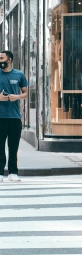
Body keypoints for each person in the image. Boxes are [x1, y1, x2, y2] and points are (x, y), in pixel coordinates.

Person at [0, 50, 28, 183]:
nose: (0, 60)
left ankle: (13, 172)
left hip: (14, 117)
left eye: (1, 58)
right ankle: (0, 173)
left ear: (9, 60)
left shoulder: (19, 74)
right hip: (0, 117)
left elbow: (25, 93)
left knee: (13, 147)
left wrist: (16, 96)